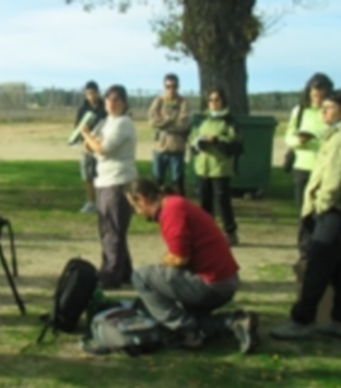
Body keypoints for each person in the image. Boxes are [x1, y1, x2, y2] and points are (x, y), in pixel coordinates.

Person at [270, 90, 341, 341]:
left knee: (318, 267)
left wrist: (322, 205)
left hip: (335, 210)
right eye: (323, 106)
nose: (323, 111)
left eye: (330, 107)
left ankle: (301, 320)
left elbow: (336, 175)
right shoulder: (337, 135)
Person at [125, 178, 259, 354]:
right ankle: (234, 322)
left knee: (141, 276)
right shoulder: (177, 203)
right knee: (192, 315)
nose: (137, 212)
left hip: (211, 283)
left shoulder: (171, 211)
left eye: (134, 206)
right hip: (224, 280)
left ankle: (186, 330)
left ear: (142, 199)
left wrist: (164, 260)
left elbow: (180, 258)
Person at [80, 84, 138, 289]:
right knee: (110, 230)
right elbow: (87, 147)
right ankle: (126, 273)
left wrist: (86, 134)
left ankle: (110, 275)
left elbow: (102, 148)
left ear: (124, 102)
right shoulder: (105, 122)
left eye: (116, 100)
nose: (111, 104)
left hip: (119, 182)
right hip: (104, 181)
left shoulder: (123, 123)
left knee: (112, 231)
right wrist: (90, 140)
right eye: (108, 99)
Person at [190, 87, 240, 246]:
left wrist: (216, 140)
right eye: (210, 100)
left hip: (220, 168)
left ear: (223, 101)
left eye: (216, 100)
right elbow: (192, 139)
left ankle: (230, 232)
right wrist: (197, 143)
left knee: (223, 201)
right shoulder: (202, 120)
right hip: (202, 167)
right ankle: (207, 231)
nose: (213, 103)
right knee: (205, 201)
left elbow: (235, 144)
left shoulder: (230, 121)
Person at [284, 73, 334, 209]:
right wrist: (299, 140)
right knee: (303, 209)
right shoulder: (299, 111)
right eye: (314, 95)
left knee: (322, 208)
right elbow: (288, 137)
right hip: (302, 167)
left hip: (325, 166)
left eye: (321, 95)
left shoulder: (332, 111)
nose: (317, 99)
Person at [148, 73, 191, 195]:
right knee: (157, 181)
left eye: (174, 86)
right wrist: (170, 119)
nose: (171, 89)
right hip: (159, 148)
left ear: (178, 87)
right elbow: (152, 121)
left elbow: (183, 124)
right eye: (168, 86)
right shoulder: (158, 101)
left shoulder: (183, 103)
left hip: (176, 147)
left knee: (177, 182)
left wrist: (164, 121)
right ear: (164, 87)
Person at [74, 81, 107, 213]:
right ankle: (91, 202)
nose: (91, 96)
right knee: (88, 175)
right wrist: (83, 140)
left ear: (98, 93)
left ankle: (102, 202)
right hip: (87, 146)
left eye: (93, 93)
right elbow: (77, 127)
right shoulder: (82, 109)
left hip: (100, 145)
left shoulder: (104, 108)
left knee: (101, 174)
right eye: (88, 93)